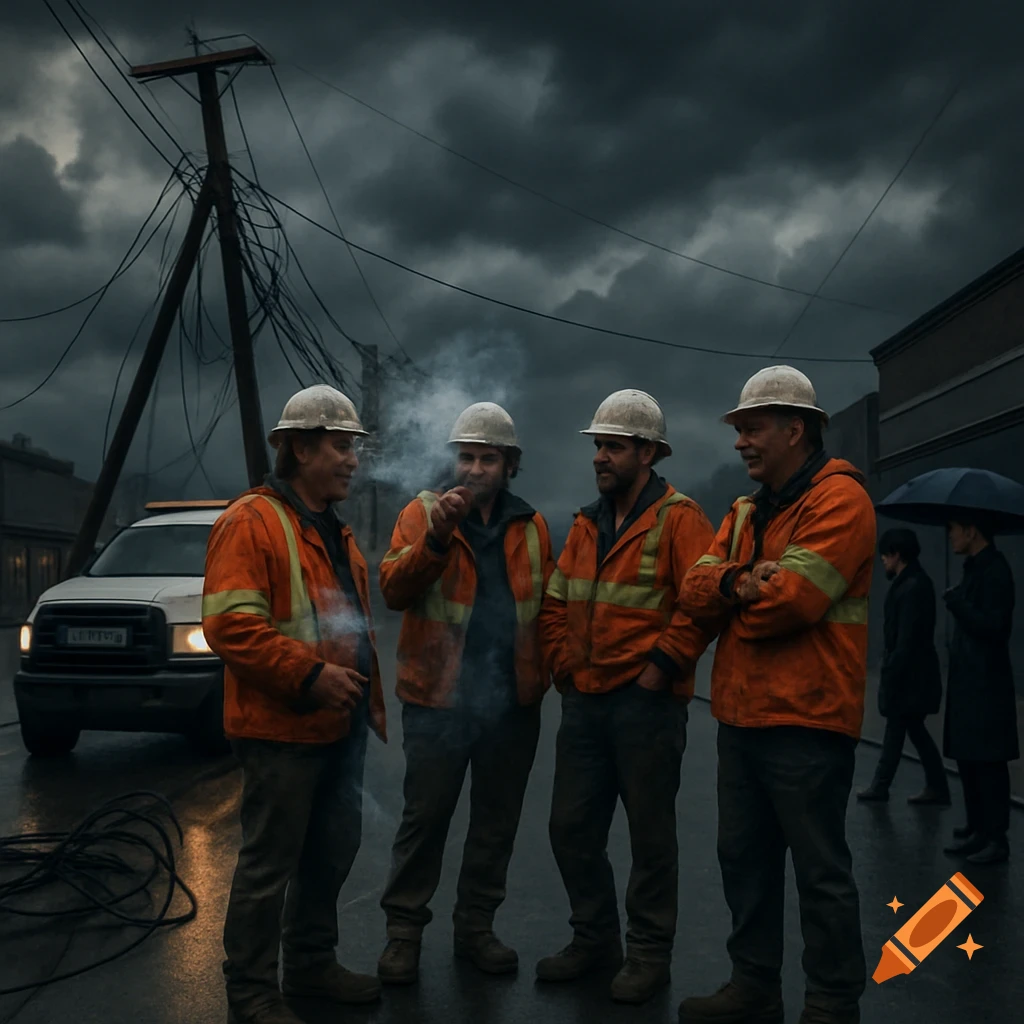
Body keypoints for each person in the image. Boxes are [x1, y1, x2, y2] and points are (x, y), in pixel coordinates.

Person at [677, 366, 875, 1024]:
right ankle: (754, 986)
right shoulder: (742, 512)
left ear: (796, 430)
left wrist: (739, 599)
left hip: (809, 719)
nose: (740, 443)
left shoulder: (841, 501)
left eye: (752, 429)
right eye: (739, 431)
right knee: (745, 861)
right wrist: (739, 584)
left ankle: (831, 1002)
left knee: (820, 874)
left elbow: (794, 603)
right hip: (742, 717)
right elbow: (694, 589)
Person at [203, 385, 387, 1024]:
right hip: (281, 728)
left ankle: (310, 967)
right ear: (300, 448)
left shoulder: (333, 530)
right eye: (341, 447)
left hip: (338, 725)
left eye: (353, 448)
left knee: (330, 855)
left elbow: (351, 625)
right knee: (269, 866)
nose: (352, 461)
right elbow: (232, 627)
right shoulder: (250, 522)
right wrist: (310, 677)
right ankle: (251, 992)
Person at [536, 389, 715, 1005]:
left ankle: (648, 954)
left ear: (647, 451)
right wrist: (562, 665)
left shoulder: (681, 519)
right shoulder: (585, 523)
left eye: (612, 446)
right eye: (597, 446)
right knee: (570, 827)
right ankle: (595, 940)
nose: (599, 457)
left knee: (650, 838)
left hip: (647, 706)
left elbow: (701, 605)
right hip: (585, 702)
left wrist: (660, 669)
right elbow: (556, 602)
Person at [376, 402, 555, 983]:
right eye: (466, 457)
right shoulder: (422, 513)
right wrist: (437, 538)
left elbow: (548, 611)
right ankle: (403, 935)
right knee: (424, 821)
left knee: (494, 825)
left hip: (510, 705)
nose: (475, 469)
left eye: (488, 458)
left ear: (509, 465)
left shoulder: (532, 527)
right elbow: (393, 591)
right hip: (437, 700)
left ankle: (476, 929)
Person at [940, 514, 1019, 865]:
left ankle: (995, 837)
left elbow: (994, 627)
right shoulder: (975, 567)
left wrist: (957, 603)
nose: (951, 538)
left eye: (954, 530)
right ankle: (977, 828)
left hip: (987, 682)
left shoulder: (995, 571)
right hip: (969, 680)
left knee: (987, 761)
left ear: (971, 530)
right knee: (969, 757)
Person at [857, 528, 949, 805]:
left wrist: (891, 669)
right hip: (912, 673)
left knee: (899, 730)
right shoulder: (911, 583)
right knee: (911, 731)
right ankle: (934, 785)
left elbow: (907, 639)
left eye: (885, 555)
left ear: (897, 554)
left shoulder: (913, 587)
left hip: (911, 675)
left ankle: (882, 786)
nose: (883, 560)